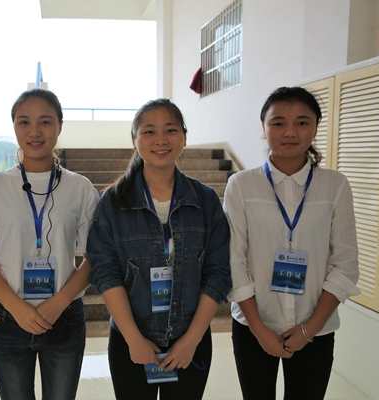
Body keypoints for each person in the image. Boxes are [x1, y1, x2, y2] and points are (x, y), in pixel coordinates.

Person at [87, 98, 231, 400]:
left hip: (190, 341)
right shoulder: (112, 202)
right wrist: (133, 339)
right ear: (134, 139)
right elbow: (105, 272)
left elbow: (218, 273)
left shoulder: (205, 200)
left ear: (184, 137)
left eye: (171, 130)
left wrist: (191, 340)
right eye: (149, 131)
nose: (161, 140)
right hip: (131, 341)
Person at [223, 86, 360, 400]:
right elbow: (233, 262)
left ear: (315, 126)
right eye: (278, 123)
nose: (290, 132)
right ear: (264, 128)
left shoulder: (335, 185)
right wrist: (259, 330)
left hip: (316, 328)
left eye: (302, 122)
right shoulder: (241, 185)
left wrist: (309, 329)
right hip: (253, 326)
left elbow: (346, 265)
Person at [0, 88, 99, 400]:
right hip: (7, 318)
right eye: (24, 122)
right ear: (14, 126)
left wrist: (58, 303)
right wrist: (17, 308)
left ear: (60, 126)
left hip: (64, 317)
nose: (34, 131)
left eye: (45, 122)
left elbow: (92, 258)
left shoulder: (80, 188)